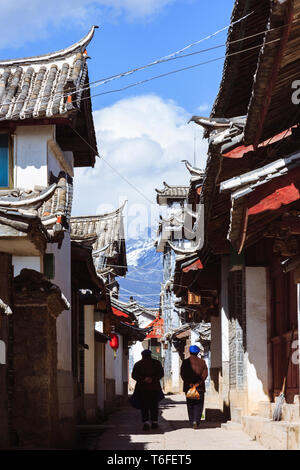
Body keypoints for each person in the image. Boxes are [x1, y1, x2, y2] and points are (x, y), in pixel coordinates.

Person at [132, 349, 164, 431]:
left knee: (144, 406)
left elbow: (134, 375)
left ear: (142, 355)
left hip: (142, 389)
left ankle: (146, 422)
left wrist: (143, 379)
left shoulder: (138, 364)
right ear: (150, 355)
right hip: (154, 388)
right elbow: (161, 373)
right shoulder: (157, 363)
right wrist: (152, 379)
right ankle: (154, 422)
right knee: (154, 405)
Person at [180, 345, 208, 429]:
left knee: (190, 404)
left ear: (189, 352)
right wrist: (198, 384)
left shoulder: (185, 362)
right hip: (200, 388)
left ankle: (192, 421)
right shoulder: (202, 362)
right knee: (199, 404)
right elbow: (205, 375)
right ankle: (196, 421)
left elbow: (183, 374)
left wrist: (190, 383)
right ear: (198, 352)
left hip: (189, 387)